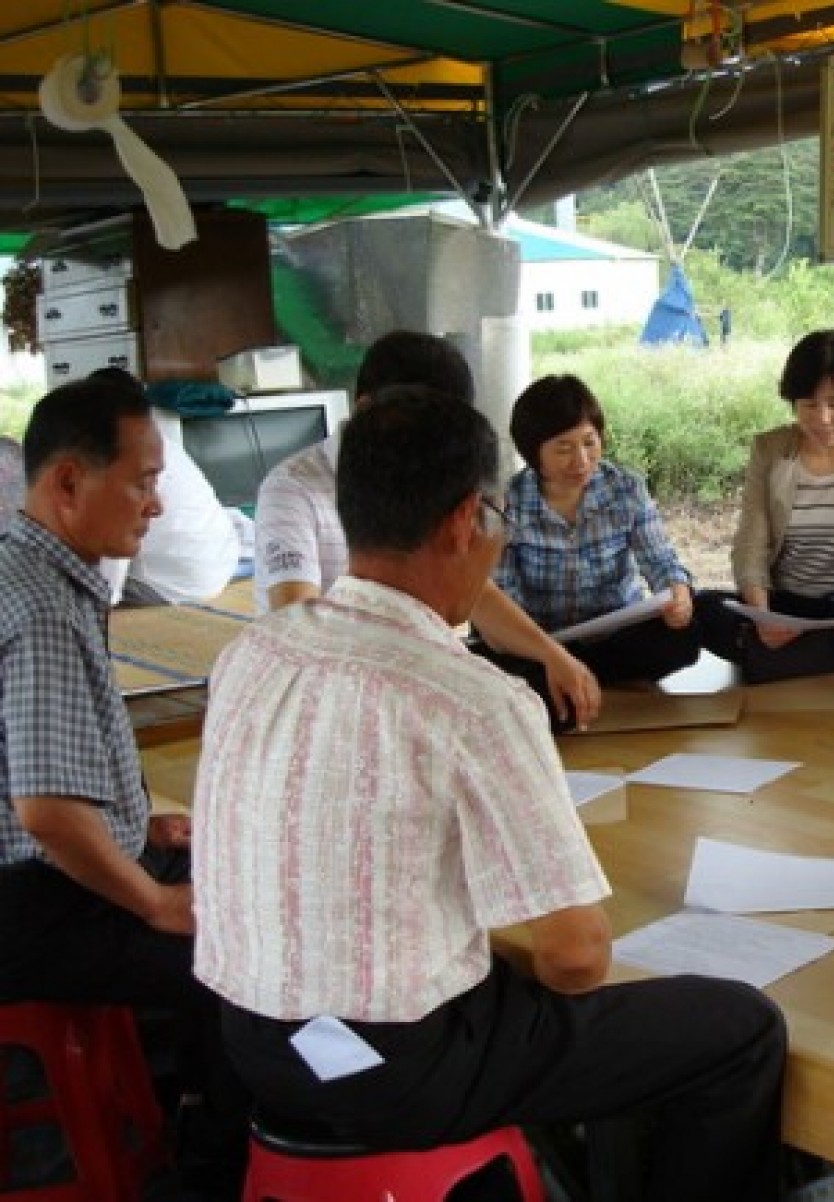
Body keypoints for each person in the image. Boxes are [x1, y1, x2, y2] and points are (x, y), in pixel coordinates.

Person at [193, 385, 787, 1201]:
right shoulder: (473, 697)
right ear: (466, 522)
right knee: (738, 1029)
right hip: (396, 1069)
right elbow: (575, 958)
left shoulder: (254, 653)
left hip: (254, 1043)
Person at [0, 375, 246, 1195]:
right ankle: (212, 1169)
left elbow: (46, 771)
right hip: (30, 906)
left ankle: (199, 1118)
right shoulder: (39, 607)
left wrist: (139, 829)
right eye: (143, 482)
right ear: (69, 481)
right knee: (235, 956)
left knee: (238, 888)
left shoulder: (36, 573)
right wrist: (151, 899)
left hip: (46, 878)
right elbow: (43, 812)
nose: (157, 506)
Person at [254, 331, 599, 729]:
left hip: (410, 678)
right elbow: (297, 617)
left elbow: (470, 586)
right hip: (334, 699)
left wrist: (552, 654)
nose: (435, 447)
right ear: (368, 409)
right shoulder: (293, 488)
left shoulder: (426, 478)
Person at [697, 330, 834, 681]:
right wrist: (762, 614)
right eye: (809, 405)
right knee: (704, 609)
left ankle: (790, 660)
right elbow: (751, 541)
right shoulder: (769, 449)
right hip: (787, 604)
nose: (823, 418)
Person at [487, 374, 700, 707]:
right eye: (564, 449)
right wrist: (547, 651)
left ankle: (577, 685)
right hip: (543, 644)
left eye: (589, 442)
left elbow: (662, 563)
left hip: (616, 636)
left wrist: (678, 595)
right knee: (494, 655)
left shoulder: (625, 489)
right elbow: (503, 599)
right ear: (533, 452)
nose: (582, 461)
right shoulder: (508, 504)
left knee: (694, 626)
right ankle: (580, 681)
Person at [88, 368, 242, 607]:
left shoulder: (119, 457)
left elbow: (110, 571)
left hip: (173, 584)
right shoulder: (161, 442)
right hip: (220, 567)